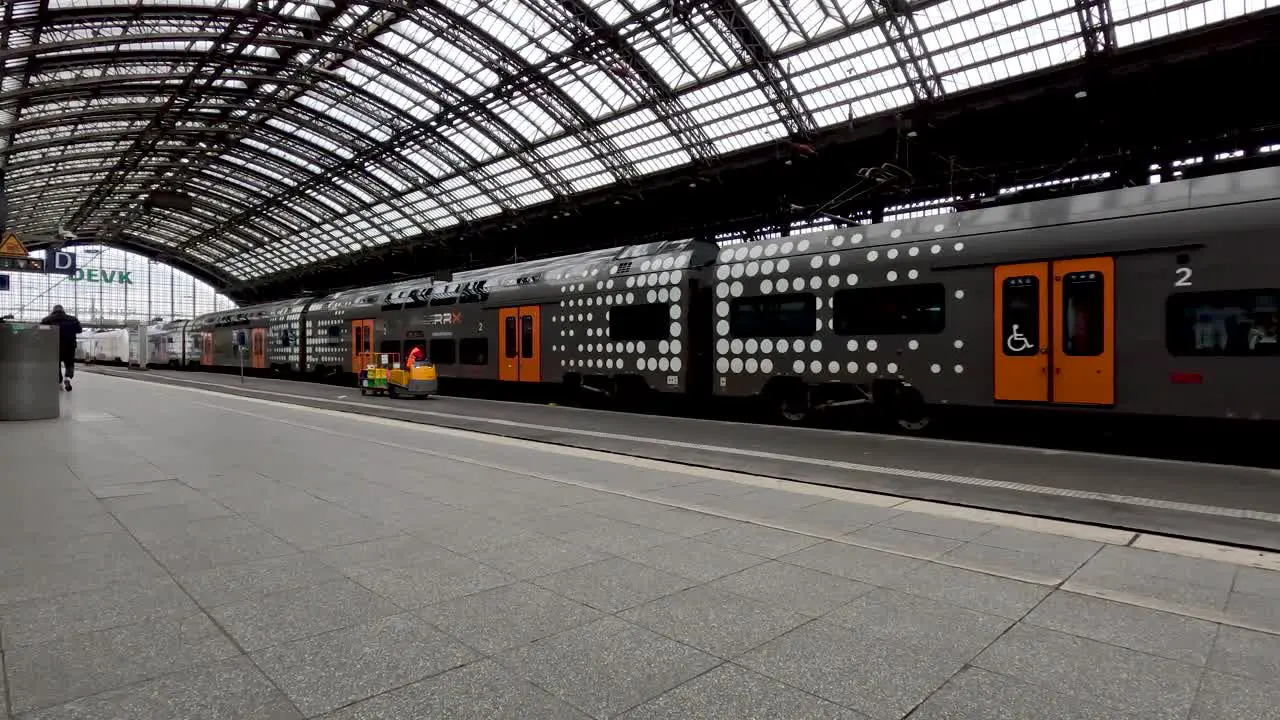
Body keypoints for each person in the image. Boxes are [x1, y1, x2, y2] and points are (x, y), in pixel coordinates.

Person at [40, 305, 82, 391]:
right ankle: (67, 378)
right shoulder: (73, 319)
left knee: (56, 365)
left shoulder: (47, 320)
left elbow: (41, 330)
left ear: (53, 310)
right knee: (69, 364)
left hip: (54, 346)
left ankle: (59, 382)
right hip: (70, 346)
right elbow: (79, 330)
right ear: (63, 310)